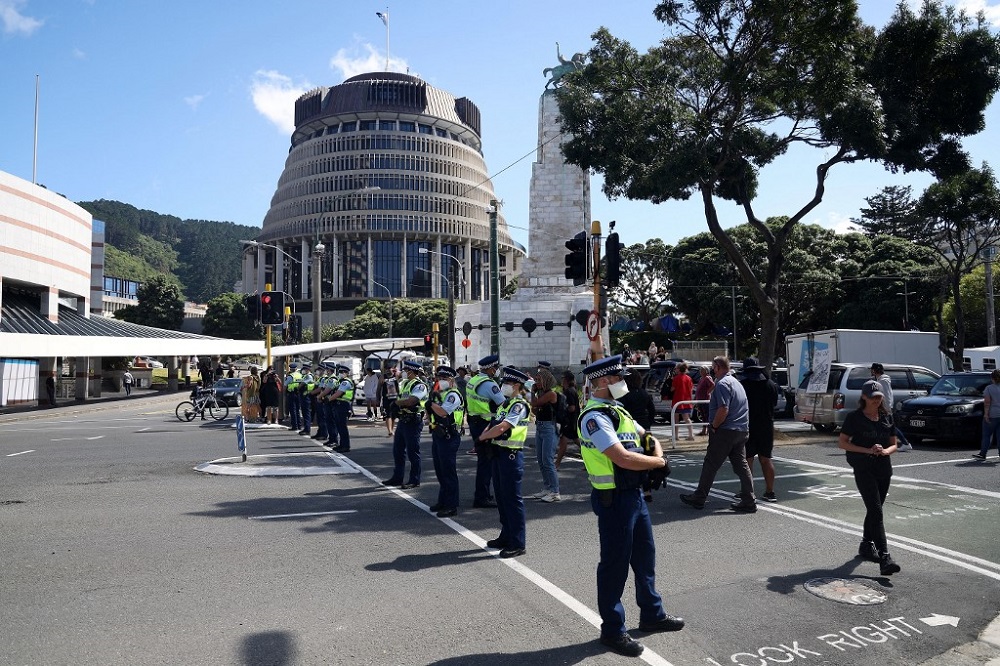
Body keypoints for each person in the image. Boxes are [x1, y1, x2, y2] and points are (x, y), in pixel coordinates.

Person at [577, 354, 683, 658]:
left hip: (634, 496)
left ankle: (652, 614)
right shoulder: (594, 417)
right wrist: (660, 463)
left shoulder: (617, 410)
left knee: (644, 558)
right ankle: (612, 630)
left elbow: (646, 437)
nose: (624, 382)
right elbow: (621, 457)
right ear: (604, 382)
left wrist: (657, 457)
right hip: (614, 500)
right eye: (619, 378)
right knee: (614, 566)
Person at [838, 380, 901, 576]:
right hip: (863, 468)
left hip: (883, 468)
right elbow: (843, 443)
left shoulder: (886, 417)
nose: (876, 400)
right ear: (864, 397)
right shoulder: (854, 418)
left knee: (876, 509)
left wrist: (884, 451)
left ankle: (866, 545)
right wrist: (867, 450)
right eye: (872, 397)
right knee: (875, 511)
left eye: (879, 397)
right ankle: (885, 557)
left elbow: (894, 444)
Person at [680, 356, 756, 512]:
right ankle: (749, 499)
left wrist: (714, 426)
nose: (712, 370)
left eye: (713, 367)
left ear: (717, 367)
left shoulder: (722, 384)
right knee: (742, 466)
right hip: (741, 430)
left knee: (711, 464)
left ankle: (699, 497)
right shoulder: (736, 383)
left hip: (725, 431)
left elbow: (723, 409)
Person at [478, 366, 532, 559]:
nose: (504, 385)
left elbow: (503, 427)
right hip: (498, 454)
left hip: (511, 455)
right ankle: (506, 535)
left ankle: (518, 542)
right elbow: (494, 422)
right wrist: (486, 433)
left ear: (517, 385)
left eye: (508, 383)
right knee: (501, 497)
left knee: (512, 499)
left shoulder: (519, 405)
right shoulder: (505, 404)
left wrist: (483, 437)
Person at [464, 355, 506, 509]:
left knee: (484, 460)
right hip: (484, 424)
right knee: (486, 462)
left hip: (475, 423)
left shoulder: (473, 380)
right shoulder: (489, 384)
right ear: (490, 368)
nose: (496, 371)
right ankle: (482, 497)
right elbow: (502, 403)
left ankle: (483, 494)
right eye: (495, 368)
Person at [383, 360, 428, 489]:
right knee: (398, 451)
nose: (405, 373)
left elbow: (412, 401)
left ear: (413, 372)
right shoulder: (406, 383)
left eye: (407, 371)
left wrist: (398, 404)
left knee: (413, 452)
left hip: (413, 421)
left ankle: (414, 480)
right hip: (403, 420)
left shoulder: (420, 386)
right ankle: (397, 477)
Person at [740, 357, 779, 502]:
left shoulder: (743, 385)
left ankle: (748, 492)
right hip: (767, 425)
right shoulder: (771, 384)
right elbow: (774, 404)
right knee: (766, 459)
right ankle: (770, 492)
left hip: (748, 425)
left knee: (747, 460)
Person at [428, 366, 465, 517]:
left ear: (451, 380)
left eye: (444, 378)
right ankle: (443, 500)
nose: (441, 381)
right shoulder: (442, 394)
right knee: (440, 470)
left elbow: (443, 412)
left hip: (449, 436)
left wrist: (430, 405)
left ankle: (451, 505)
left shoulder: (453, 395)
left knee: (448, 472)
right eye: (439, 378)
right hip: (439, 435)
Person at [618, 370, 657, 502]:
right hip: (646, 429)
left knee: (634, 460)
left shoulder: (624, 395)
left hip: (631, 431)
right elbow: (652, 411)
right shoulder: (644, 393)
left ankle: (634, 487)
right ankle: (647, 491)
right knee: (646, 458)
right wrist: (648, 423)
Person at [529, 367, 561, 502]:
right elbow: (534, 410)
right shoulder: (541, 394)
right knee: (541, 461)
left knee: (547, 460)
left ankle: (555, 491)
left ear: (546, 380)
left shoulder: (551, 394)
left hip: (549, 428)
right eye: (535, 380)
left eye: (539, 380)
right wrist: (535, 400)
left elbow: (534, 403)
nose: (536, 383)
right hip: (540, 426)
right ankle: (547, 487)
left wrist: (532, 393)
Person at [870, 363, 913, 452]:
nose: (871, 371)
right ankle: (904, 443)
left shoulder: (883, 381)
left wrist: (885, 407)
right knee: (886, 426)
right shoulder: (880, 380)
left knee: (888, 426)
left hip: (884, 407)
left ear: (875, 370)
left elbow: (886, 395)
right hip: (883, 406)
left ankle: (905, 443)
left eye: (872, 369)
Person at [555, 371, 581, 469]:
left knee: (563, 442)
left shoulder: (569, 391)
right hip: (572, 421)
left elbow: (572, 408)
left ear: (565, 380)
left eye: (562, 378)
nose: (561, 380)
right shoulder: (571, 390)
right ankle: (589, 461)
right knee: (577, 441)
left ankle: (557, 463)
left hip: (569, 421)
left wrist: (562, 408)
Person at [974, 369, 1000, 460]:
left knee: (987, 434)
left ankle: (983, 453)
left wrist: (986, 414)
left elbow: (987, 402)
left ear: (992, 378)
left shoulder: (989, 388)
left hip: (992, 414)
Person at [329, 365, 355, 453]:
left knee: (342, 426)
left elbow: (339, 393)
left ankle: (345, 446)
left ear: (347, 373)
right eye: (340, 372)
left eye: (343, 372)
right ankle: (342, 444)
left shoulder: (346, 382)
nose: (341, 374)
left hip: (344, 405)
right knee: (339, 426)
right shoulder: (340, 381)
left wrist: (329, 399)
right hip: (338, 404)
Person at [671, 361, 695, 441]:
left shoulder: (676, 378)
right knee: (687, 418)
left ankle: (676, 436)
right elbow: (691, 388)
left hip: (678, 400)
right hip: (686, 400)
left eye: (676, 369)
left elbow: (673, 389)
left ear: (678, 369)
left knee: (676, 419)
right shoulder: (689, 378)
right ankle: (691, 435)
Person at [694, 365, 715, 435]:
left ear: (706, 371)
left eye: (702, 370)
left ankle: (709, 430)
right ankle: (704, 430)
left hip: (705, 399)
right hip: (700, 399)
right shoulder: (701, 379)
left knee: (707, 415)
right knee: (703, 415)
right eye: (700, 370)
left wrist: (708, 392)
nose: (701, 372)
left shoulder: (707, 378)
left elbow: (713, 385)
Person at [380, 365, 399, 436]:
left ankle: (392, 429)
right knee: (388, 415)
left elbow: (403, 376)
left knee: (393, 416)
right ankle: (390, 430)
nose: (387, 370)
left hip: (395, 399)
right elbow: (379, 387)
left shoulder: (396, 376)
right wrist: (378, 398)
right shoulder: (383, 377)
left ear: (393, 369)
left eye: (389, 368)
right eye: (386, 369)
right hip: (386, 399)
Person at [297, 364, 315, 436]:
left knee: (307, 413)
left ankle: (307, 429)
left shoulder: (309, 376)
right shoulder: (305, 376)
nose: (303, 370)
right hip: (304, 396)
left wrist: (298, 387)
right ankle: (306, 428)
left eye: (304, 369)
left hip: (306, 396)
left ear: (308, 369)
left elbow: (302, 384)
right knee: (304, 413)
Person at [284, 363, 302, 432]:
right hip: (299, 394)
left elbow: (285, 386)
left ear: (290, 369)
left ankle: (294, 426)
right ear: (296, 368)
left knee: (293, 410)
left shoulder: (290, 376)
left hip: (291, 394)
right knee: (298, 410)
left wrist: (284, 393)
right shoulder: (300, 375)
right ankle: (299, 425)